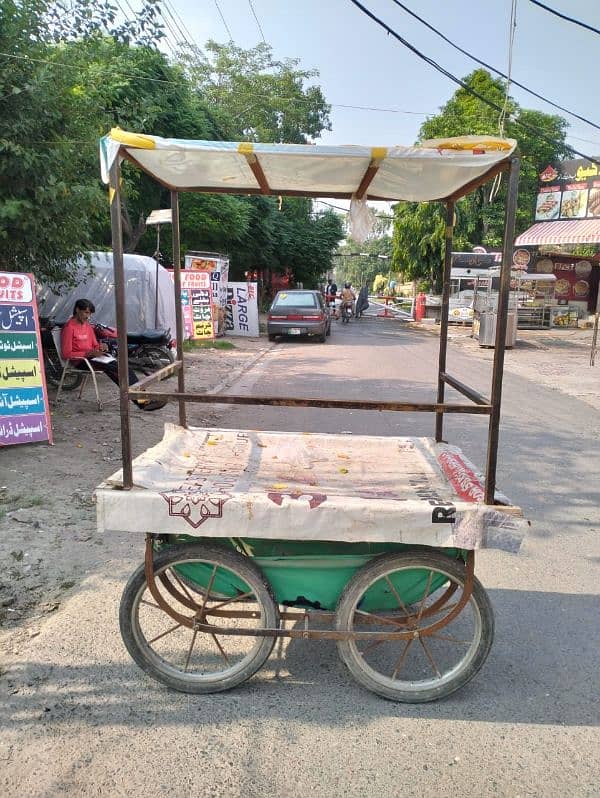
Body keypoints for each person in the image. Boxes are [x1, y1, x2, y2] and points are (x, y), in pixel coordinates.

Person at [60, 299, 167, 411]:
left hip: (95, 358)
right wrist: (88, 353)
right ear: (77, 310)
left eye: (90, 313)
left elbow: (95, 345)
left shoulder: (87, 326)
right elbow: (66, 353)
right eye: (86, 313)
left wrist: (100, 347)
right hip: (81, 361)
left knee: (125, 369)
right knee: (119, 371)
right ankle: (143, 401)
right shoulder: (69, 328)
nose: (88, 316)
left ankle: (144, 400)